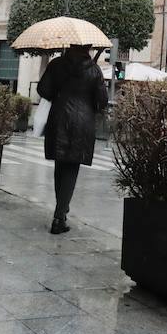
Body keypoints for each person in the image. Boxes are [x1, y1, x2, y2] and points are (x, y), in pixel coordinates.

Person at [36, 43, 108, 234]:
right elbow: (102, 101)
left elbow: (43, 90)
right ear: (88, 48)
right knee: (71, 168)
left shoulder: (57, 64)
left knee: (61, 165)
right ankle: (60, 216)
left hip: (59, 119)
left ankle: (61, 211)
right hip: (82, 123)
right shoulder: (94, 70)